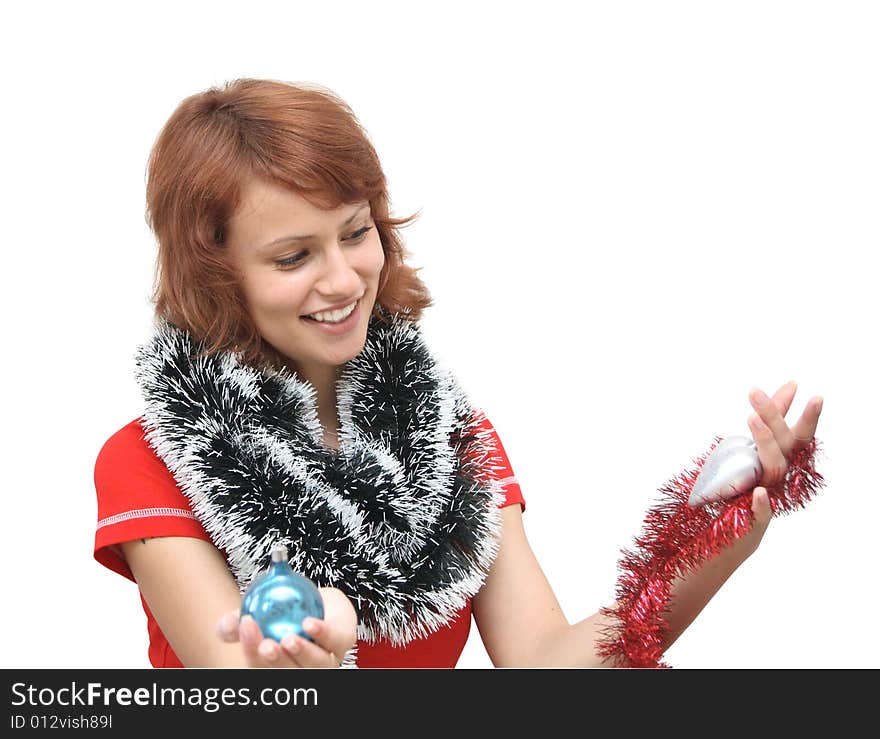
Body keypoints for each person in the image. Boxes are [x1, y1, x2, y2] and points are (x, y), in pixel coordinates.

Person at [93, 78, 824, 669]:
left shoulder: (450, 437)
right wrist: (321, 647)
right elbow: (240, 686)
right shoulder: (147, 460)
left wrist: (708, 536)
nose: (345, 278)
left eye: (356, 232)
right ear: (217, 277)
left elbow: (545, 667)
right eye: (294, 257)